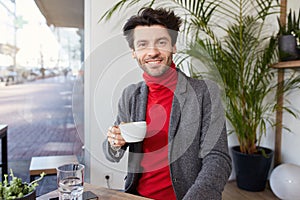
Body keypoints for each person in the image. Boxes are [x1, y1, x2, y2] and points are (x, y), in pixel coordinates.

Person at [103, 7, 232, 200]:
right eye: (143, 44)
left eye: (161, 42)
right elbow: (111, 154)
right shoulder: (130, 95)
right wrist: (115, 142)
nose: (152, 52)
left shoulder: (204, 92)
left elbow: (218, 159)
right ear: (134, 52)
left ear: (173, 46)